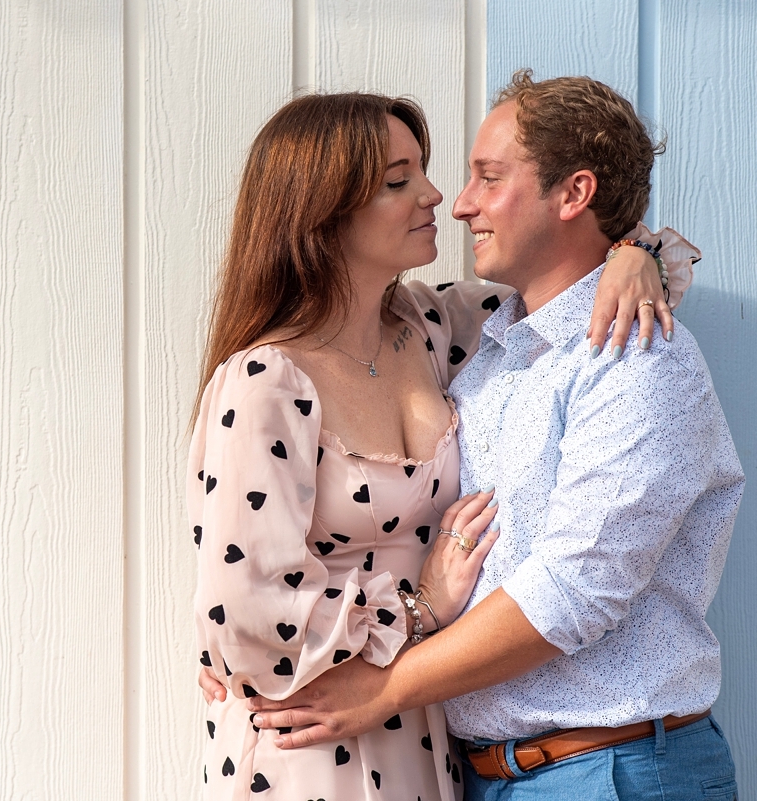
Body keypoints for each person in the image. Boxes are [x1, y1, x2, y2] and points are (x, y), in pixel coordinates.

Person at [240, 72, 743, 800]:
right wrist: (249, 648)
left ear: (573, 195)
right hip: (484, 773)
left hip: (609, 771)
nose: (459, 201)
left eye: (488, 176)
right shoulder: (480, 345)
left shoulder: (636, 352)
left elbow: (575, 589)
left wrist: (382, 688)